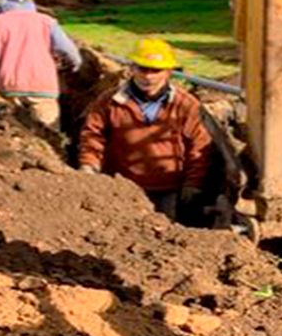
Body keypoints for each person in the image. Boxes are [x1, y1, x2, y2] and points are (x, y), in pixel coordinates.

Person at [78, 38, 213, 220]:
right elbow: (93, 134)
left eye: (155, 70)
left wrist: (193, 183)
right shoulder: (110, 101)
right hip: (121, 188)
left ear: (168, 72)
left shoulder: (185, 105)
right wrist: (89, 165)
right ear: (132, 68)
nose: (148, 76)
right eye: (142, 68)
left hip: (168, 189)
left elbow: (199, 145)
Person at [0, 0, 82, 130]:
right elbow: (67, 50)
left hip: (9, 86)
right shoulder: (47, 22)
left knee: (14, 131)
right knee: (49, 134)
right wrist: (74, 65)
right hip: (43, 86)